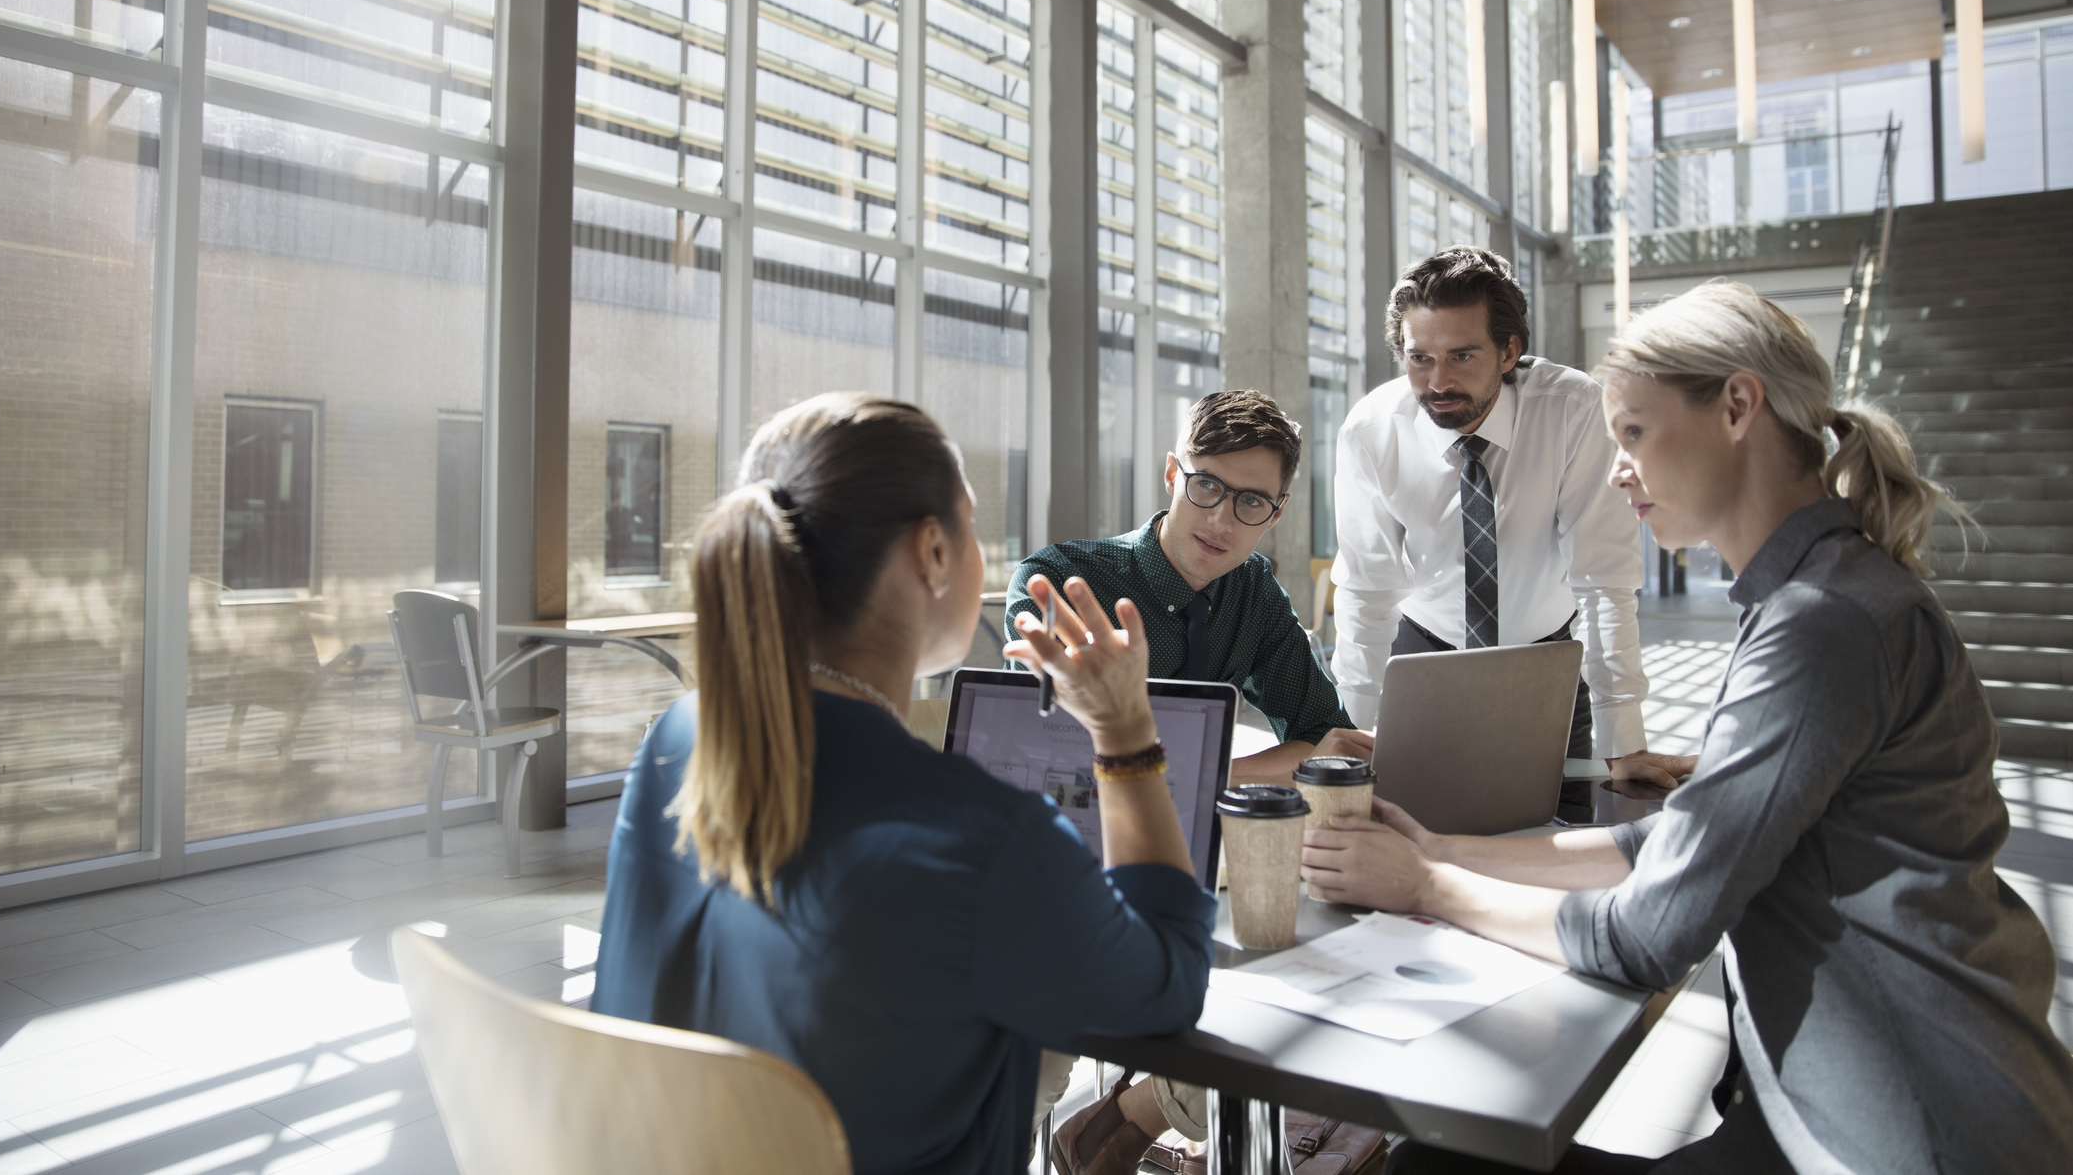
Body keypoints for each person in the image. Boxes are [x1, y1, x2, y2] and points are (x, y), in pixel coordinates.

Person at [1301, 282, 2073, 1173]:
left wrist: (1426, 887)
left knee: (1435, 1165)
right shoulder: (1818, 598)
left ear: (1737, 406)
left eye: (1631, 432)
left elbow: (1648, 934)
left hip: (1904, 1134)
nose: (1615, 465)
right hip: (1841, 1114)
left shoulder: (1821, 624)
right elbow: (1676, 845)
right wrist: (1439, 847)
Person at [590, 394, 1214, 1175]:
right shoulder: (984, 839)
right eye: (973, 526)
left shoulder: (673, 743)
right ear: (932, 553)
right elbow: (1165, 988)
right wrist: (1123, 735)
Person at [1010, 389, 1370, 1174]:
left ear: (1273, 514)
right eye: (1204, 485)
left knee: (1325, 991)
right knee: (1023, 1067)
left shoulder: (1253, 595)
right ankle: (1065, 1131)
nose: (1220, 519)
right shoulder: (1069, 579)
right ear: (1173, 472)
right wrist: (1187, 773)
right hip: (1072, 859)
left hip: (1207, 861)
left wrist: (1191, 776)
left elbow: (1321, 737)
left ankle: (1139, 1114)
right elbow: (1069, 758)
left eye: (1249, 503)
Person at [1332, 246, 1688, 796]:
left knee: (1553, 831)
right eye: (1419, 357)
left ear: (1508, 352)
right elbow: (1366, 588)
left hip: (1546, 664)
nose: (1437, 382)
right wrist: (1353, 732)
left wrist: (1626, 742)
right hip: (1425, 658)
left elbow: (1603, 581)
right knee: (1413, 839)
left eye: (1462, 356)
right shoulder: (1372, 430)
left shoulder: (1572, 411)